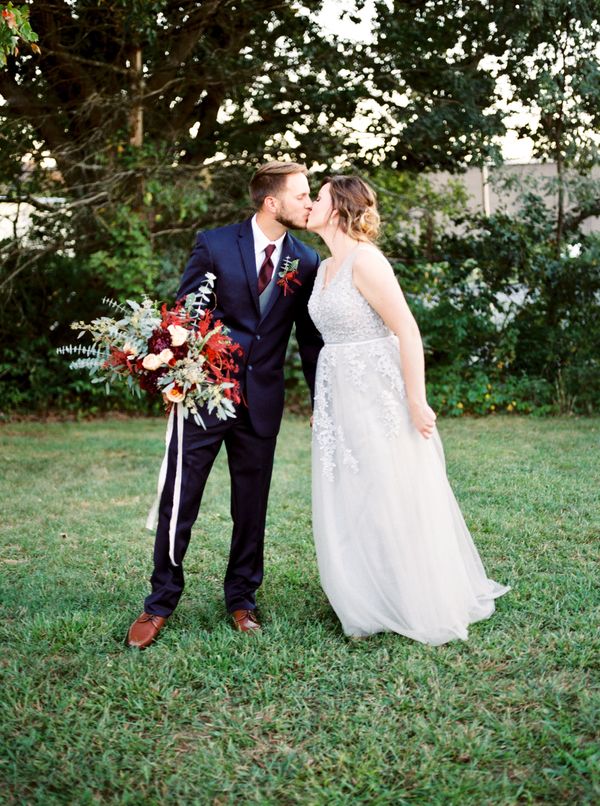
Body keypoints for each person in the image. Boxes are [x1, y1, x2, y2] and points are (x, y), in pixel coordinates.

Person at [127, 161, 323, 649]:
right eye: (301, 195)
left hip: (263, 402)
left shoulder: (307, 260)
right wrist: (180, 374)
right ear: (270, 201)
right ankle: (160, 603)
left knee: (251, 506)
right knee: (179, 500)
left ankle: (242, 599)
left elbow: (311, 341)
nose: (309, 202)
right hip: (203, 398)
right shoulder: (214, 244)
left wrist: (323, 400)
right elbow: (184, 315)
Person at [306, 175, 509, 645]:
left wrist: (416, 400)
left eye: (319, 197)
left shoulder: (367, 261)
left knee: (389, 483)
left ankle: (413, 592)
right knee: (353, 489)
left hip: (377, 389)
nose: (311, 203)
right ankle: (367, 589)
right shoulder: (323, 268)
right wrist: (325, 401)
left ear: (339, 209)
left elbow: (407, 330)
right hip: (339, 389)